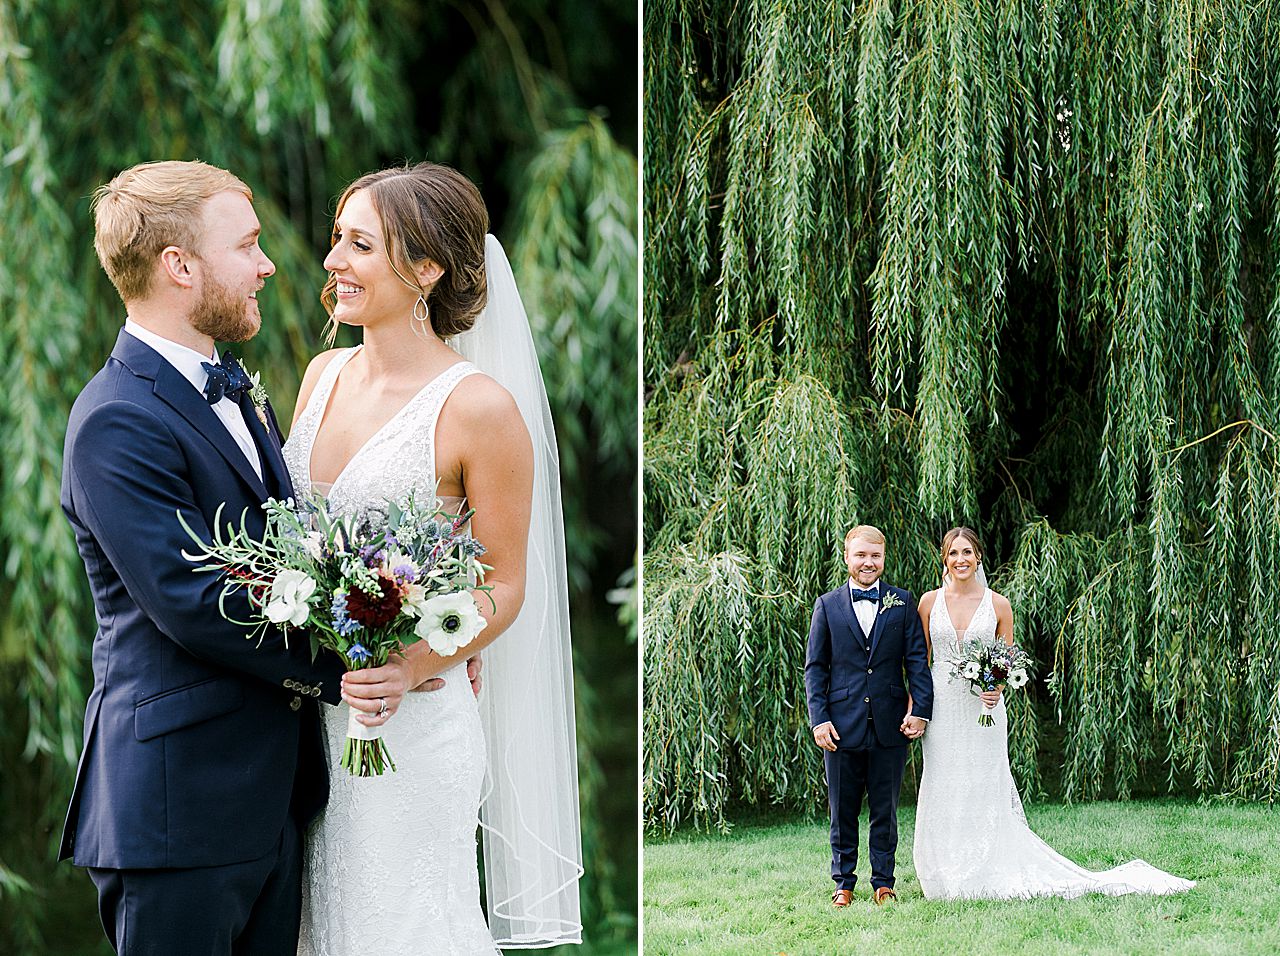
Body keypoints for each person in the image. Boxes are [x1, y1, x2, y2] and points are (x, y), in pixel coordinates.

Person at [59, 160, 418, 954]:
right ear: (179, 266)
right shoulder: (114, 422)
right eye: (247, 245)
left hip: (271, 801)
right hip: (176, 812)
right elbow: (198, 601)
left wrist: (407, 623)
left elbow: (292, 548)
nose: (268, 264)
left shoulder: (230, 389)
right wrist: (354, 664)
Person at [285, 162, 582, 953]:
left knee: (405, 923)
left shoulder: (478, 409)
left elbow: (506, 585)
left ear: (425, 270)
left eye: (359, 245)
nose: (332, 262)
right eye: (335, 240)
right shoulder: (321, 378)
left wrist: (415, 663)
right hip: (314, 723)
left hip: (412, 730)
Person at [912, 526, 1195, 899]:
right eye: (953, 553)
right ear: (944, 560)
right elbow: (920, 661)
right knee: (945, 782)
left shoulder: (998, 605)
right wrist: (917, 707)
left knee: (982, 782)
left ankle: (983, 866)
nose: (960, 559)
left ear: (978, 557)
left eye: (967, 552)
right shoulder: (929, 602)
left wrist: (995, 687)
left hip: (985, 710)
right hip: (943, 708)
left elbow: (1004, 656)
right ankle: (945, 871)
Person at [804, 525, 933, 906]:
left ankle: (883, 882)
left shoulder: (902, 602)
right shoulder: (827, 606)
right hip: (840, 727)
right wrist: (819, 718)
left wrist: (921, 711)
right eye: (860, 555)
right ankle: (843, 883)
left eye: (874, 556)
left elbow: (917, 662)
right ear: (847, 557)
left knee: (885, 811)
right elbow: (816, 668)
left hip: (891, 724)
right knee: (841, 810)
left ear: (883, 558)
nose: (867, 563)